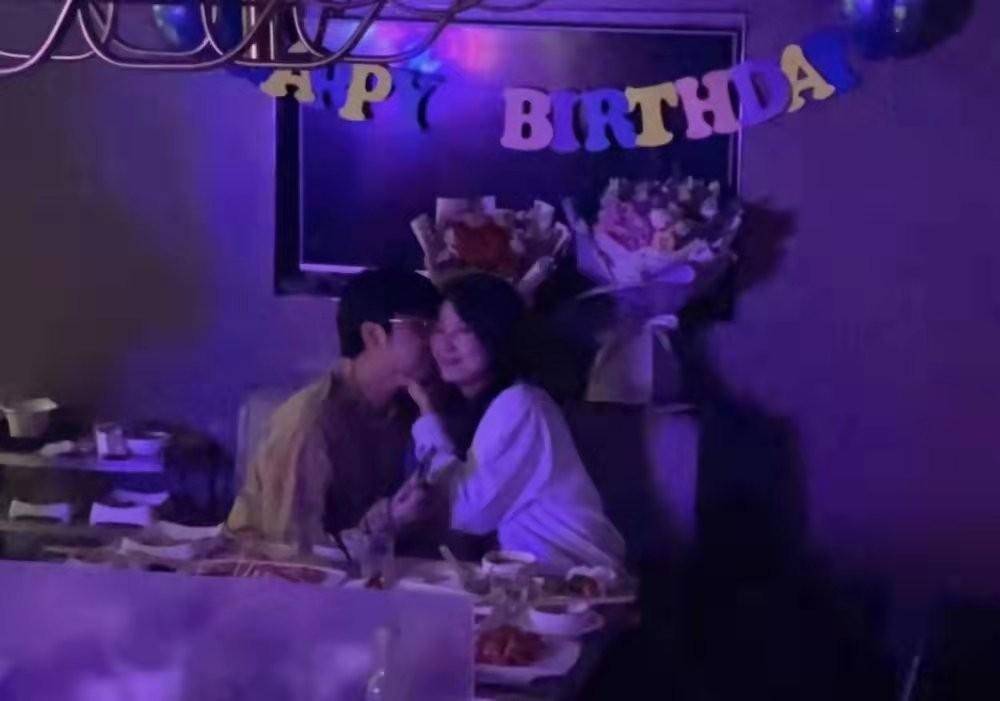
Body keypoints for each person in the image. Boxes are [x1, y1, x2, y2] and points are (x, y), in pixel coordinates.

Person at [402, 273, 626, 573]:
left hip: (577, 575)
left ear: (496, 335)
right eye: (439, 329)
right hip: (535, 574)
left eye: (464, 330)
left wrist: (427, 416)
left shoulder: (521, 403)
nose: (446, 344)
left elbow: (468, 511)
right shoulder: (476, 408)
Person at [225, 268, 441, 549]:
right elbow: (293, 550)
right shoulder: (309, 423)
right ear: (374, 335)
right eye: (423, 327)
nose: (437, 342)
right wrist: (388, 521)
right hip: (262, 569)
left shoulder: (406, 406)